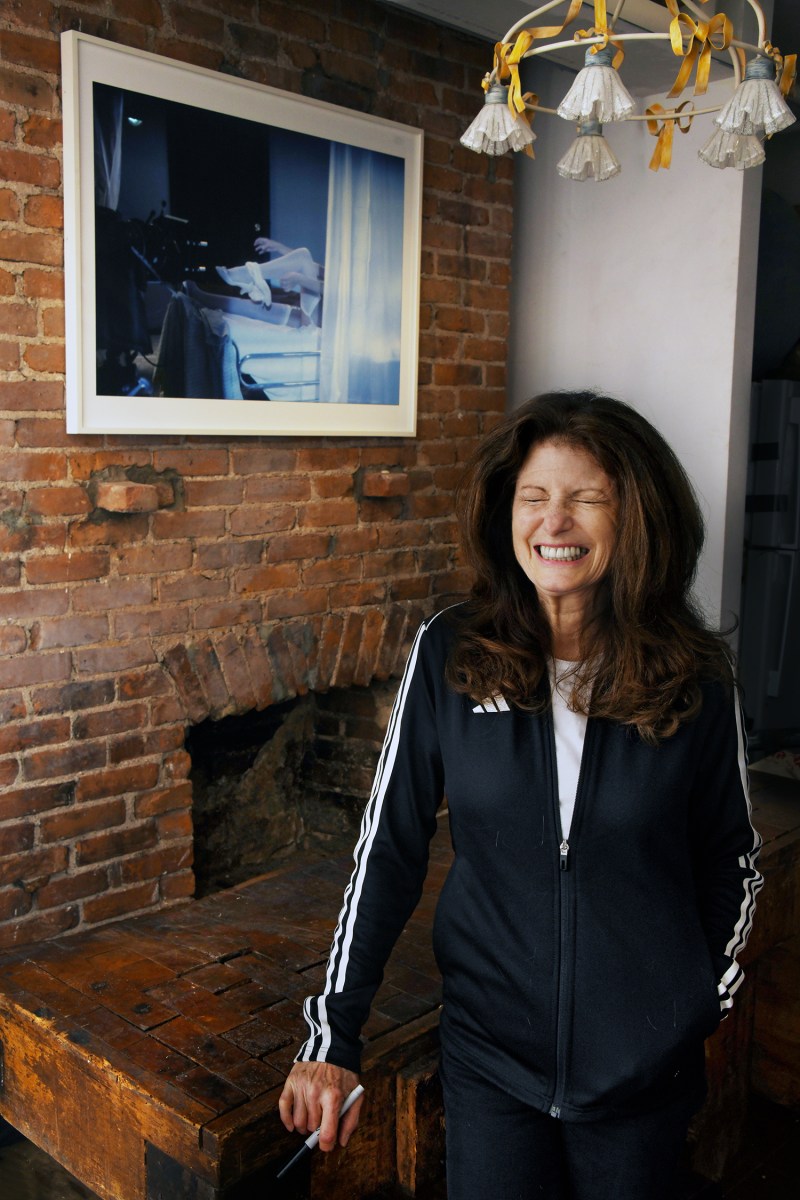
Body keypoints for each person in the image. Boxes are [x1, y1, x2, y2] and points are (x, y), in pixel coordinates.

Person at [278, 391, 763, 1199]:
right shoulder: (451, 652)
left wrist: (694, 1001)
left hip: (642, 1076)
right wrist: (334, 1037)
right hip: (491, 1065)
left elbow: (733, 859)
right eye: (534, 498)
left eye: (587, 498)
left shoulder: (695, 679)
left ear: (635, 515)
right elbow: (388, 849)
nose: (554, 523)